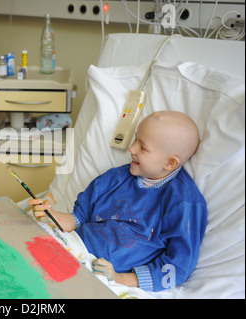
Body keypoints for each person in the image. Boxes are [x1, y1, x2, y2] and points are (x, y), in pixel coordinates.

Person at [29, 111, 207, 292]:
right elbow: (78, 218)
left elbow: (178, 267)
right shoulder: (115, 179)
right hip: (72, 247)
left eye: (143, 147)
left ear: (170, 163)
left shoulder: (185, 204)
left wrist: (120, 278)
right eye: (135, 139)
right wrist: (51, 216)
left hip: (113, 280)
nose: (131, 148)